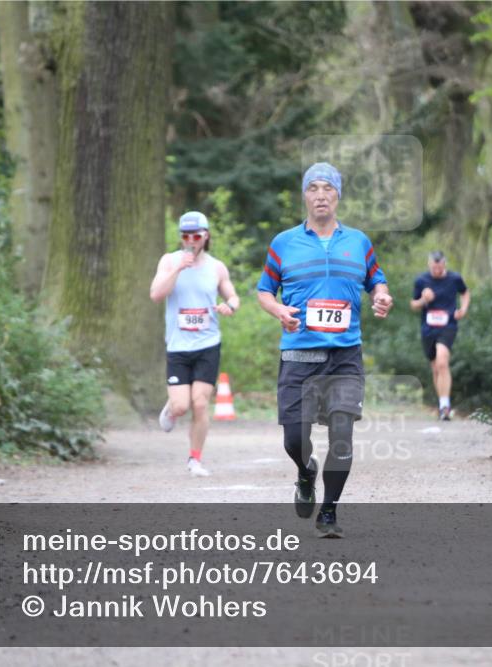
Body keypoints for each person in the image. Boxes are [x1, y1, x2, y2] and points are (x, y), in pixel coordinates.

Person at [257, 162, 393, 538]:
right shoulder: (284, 243)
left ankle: (329, 512)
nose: (320, 195)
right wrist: (278, 310)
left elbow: (377, 281)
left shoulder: (358, 242)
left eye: (328, 188)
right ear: (305, 195)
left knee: (342, 436)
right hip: (298, 356)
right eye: (313, 188)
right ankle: (306, 474)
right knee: (294, 440)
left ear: (338, 196)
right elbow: (264, 290)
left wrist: (382, 297)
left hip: (344, 356)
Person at [150, 211, 240, 477]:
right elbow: (156, 295)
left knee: (200, 403)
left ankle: (195, 460)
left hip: (207, 344)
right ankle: (172, 408)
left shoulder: (216, 267)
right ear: (181, 237)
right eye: (186, 236)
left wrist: (230, 306)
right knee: (181, 406)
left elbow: (233, 296)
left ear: (206, 236)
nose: (191, 241)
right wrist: (179, 268)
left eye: (196, 236)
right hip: (178, 346)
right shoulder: (169, 261)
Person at [410, 251, 469, 421]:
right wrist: (423, 299)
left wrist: (463, 309)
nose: (436, 270)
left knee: (442, 361)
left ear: (444, 264)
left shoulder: (455, 278)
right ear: (429, 264)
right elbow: (413, 305)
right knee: (436, 367)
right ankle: (442, 404)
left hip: (448, 325)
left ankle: (445, 406)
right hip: (428, 329)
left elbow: (465, 292)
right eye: (433, 267)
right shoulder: (421, 280)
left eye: (439, 267)